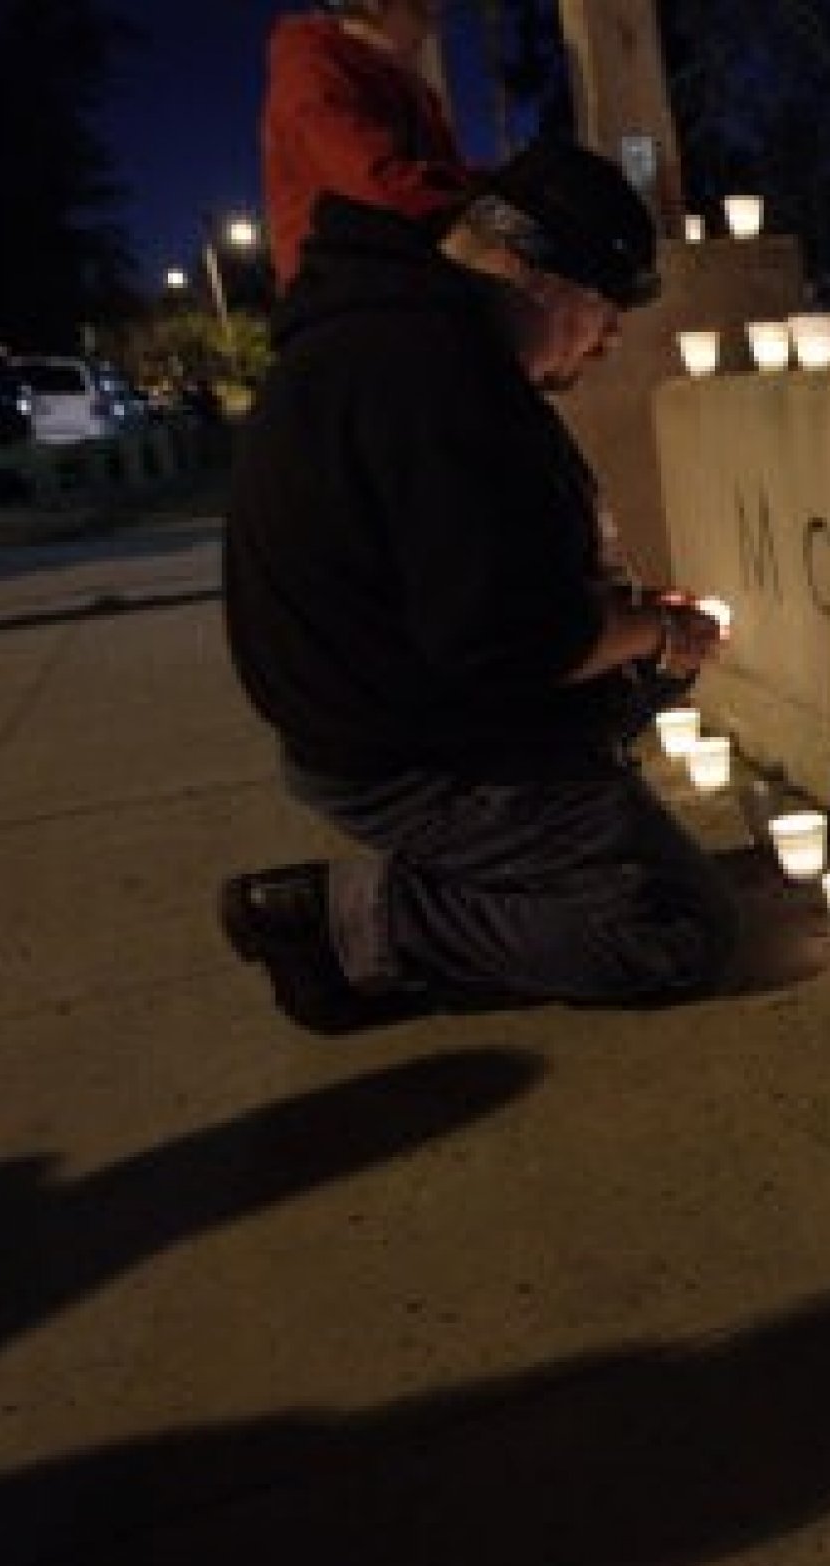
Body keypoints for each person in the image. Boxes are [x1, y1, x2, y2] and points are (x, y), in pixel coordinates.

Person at [219, 139, 739, 1035]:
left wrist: (642, 638)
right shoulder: (430, 377)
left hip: (392, 711)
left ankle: (536, 846)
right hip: (409, 750)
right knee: (671, 928)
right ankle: (345, 925)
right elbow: (506, 640)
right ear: (532, 274)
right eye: (604, 310)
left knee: (657, 673)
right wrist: (650, 627)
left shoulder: (401, 333)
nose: (610, 340)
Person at [262, 0, 472, 289]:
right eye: (422, 8)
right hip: (341, 291)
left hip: (411, 271)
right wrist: (484, 193)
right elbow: (374, 182)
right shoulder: (310, 70)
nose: (434, 22)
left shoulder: (412, 91)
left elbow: (447, 183)